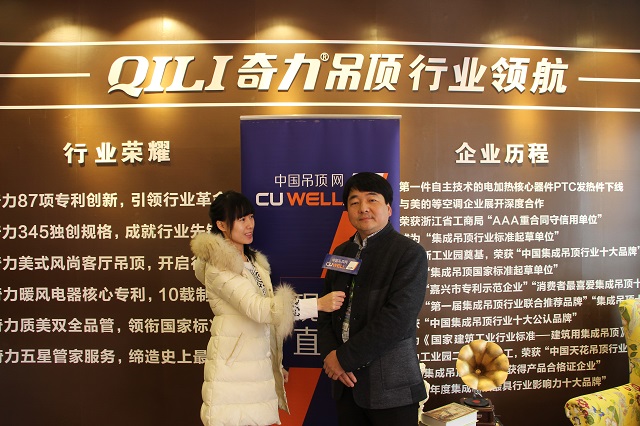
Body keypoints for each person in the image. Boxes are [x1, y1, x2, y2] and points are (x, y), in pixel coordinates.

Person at [190, 190, 345, 426]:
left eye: (250, 217)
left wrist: (274, 365)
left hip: (255, 366)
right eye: (241, 219)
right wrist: (317, 305)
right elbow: (260, 309)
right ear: (221, 225)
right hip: (234, 370)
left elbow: (266, 320)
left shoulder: (253, 262)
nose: (249, 225)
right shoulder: (219, 266)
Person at [318, 172, 429, 426]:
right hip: (345, 385)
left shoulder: (409, 253)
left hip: (391, 390)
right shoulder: (341, 253)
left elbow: (397, 319)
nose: (363, 208)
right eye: (354, 202)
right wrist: (331, 356)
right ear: (347, 211)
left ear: (388, 208)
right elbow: (325, 310)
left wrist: (343, 359)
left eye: (372, 200)